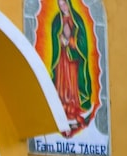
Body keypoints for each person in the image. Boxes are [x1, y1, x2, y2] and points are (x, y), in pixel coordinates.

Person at [50, 0, 94, 136]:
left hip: (73, 58)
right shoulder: (57, 20)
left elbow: (82, 41)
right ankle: (61, 105)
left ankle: (74, 106)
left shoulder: (77, 20)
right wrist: (59, 41)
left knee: (72, 81)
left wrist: (70, 42)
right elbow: (54, 37)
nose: (62, 7)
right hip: (61, 58)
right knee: (61, 82)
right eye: (60, 4)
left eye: (64, 3)